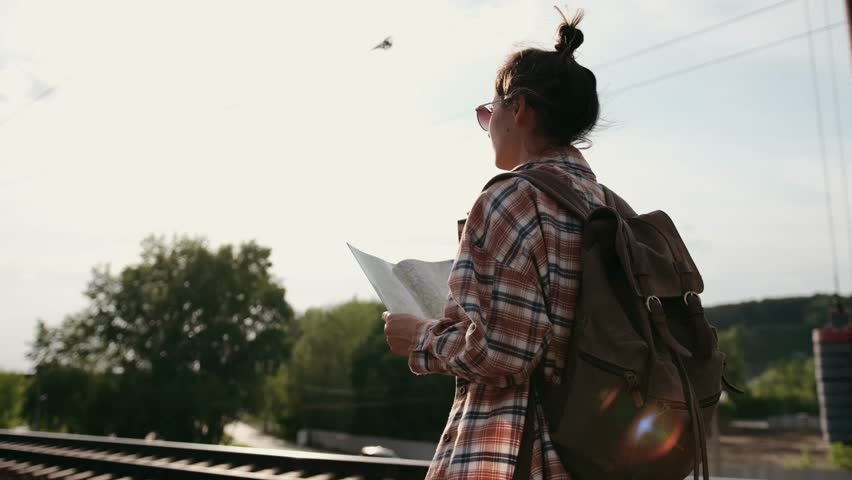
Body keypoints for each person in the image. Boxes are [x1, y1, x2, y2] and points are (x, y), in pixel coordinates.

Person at [383, 8, 602, 480]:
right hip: (592, 451)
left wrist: (419, 339)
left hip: (520, 453)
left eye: (490, 111)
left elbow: (504, 352)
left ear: (518, 109)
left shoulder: (510, 200)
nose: (488, 125)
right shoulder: (601, 203)